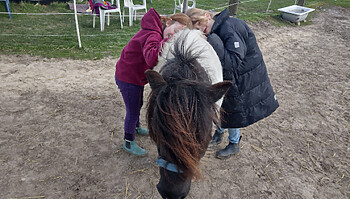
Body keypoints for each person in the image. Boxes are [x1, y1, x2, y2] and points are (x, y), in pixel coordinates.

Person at [186, 8, 279, 159]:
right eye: (197, 29)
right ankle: (219, 133)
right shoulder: (217, 29)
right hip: (228, 76)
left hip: (241, 77)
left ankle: (234, 143)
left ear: (207, 16)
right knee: (221, 106)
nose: (203, 31)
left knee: (233, 110)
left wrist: (212, 40)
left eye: (201, 26)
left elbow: (233, 62)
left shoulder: (229, 28)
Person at [115, 8, 192, 156]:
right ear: (168, 22)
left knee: (138, 104)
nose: (173, 36)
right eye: (175, 31)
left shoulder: (155, 31)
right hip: (128, 78)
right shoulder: (153, 34)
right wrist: (168, 40)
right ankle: (128, 141)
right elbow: (151, 57)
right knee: (133, 110)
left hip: (133, 76)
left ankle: (136, 127)